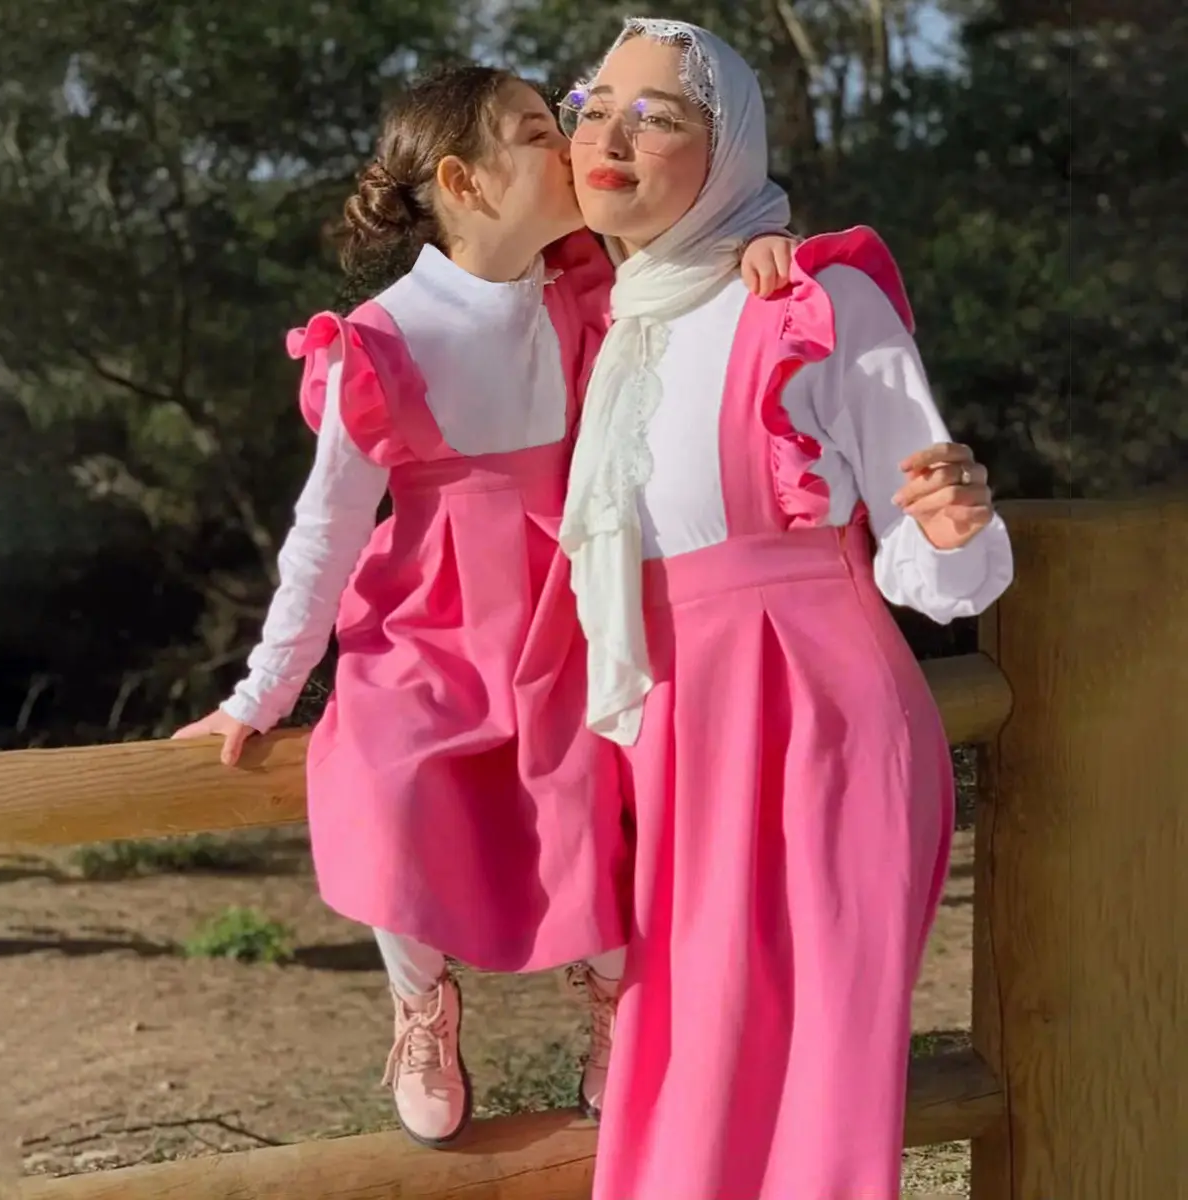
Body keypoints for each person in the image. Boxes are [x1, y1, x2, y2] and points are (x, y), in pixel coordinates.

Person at [172, 64, 795, 1148]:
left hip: (569, 603)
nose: (567, 144)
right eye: (533, 130)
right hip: (427, 622)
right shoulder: (380, 338)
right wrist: (262, 689)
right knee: (383, 777)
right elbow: (325, 532)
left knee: (594, 802)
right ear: (464, 180)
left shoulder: (588, 284)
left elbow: (696, 279)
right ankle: (421, 1002)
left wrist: (755, 248)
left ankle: (615, 1001)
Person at [557, 18, 1014, 1200]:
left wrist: (957, 522)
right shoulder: (604, 322)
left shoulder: (816, 298)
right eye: (593, 104)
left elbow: (937, 561)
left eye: (656, 114)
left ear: (731, 144)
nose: (611, 134)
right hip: (676, 732)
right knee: (680, 1064)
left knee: (813, 1085)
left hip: (820, 727)